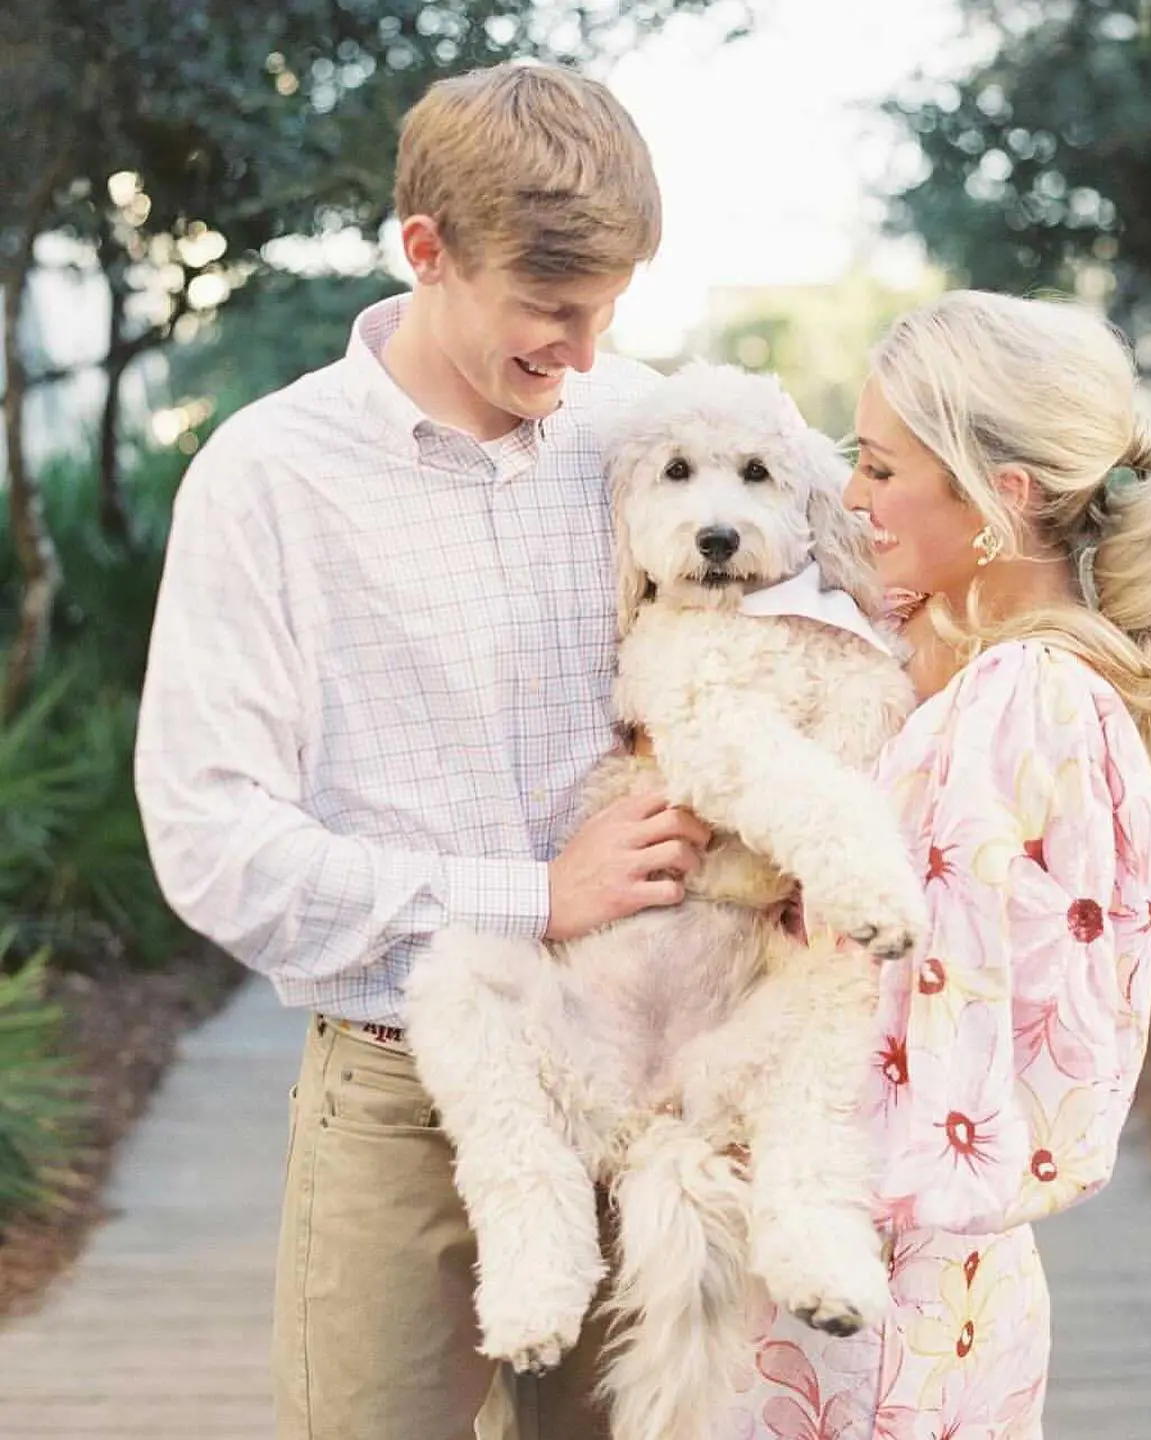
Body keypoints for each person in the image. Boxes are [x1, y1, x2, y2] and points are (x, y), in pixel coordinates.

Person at [134, 63, 711, 1440]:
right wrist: (529, 895)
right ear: (426, 251)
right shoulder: (268, 479)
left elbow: (835, 578)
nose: (581, 350)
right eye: (546, 310)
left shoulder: (646, 432)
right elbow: (213, 841)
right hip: (399, 1091)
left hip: (642, 1080)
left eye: (608, 311)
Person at [720, 290, 1151, 1438]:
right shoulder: (980, 677)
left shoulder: (1021, 702)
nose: (853, 496)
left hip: (871, 1268)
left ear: (1003, 498)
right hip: (901, 1265)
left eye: (883, 468)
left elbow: (926, 1002)